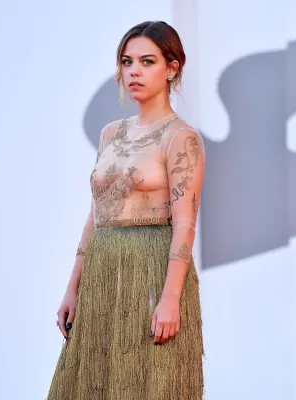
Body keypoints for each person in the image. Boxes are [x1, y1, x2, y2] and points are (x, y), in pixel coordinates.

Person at [47, 20, 205, 400]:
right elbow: (96, 215)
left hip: (151, 274)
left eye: (147, 61)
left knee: (148, 383)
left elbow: (185, 223)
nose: (134, 71)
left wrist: (170, 300)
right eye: (127, 62)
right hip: (102, 275)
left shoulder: (181, 137)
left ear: (172, 68)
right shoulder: (110, 133)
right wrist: (72, 288)